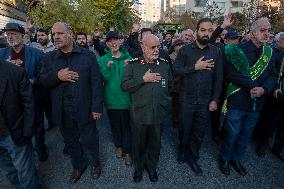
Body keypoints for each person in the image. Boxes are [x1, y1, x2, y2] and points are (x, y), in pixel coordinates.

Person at [39, 22, 103, 183]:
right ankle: (78, 166)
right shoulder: (49, 58)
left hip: (85, 108)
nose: (56, 37)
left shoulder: (87, 56)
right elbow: (42, 81)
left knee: (89, 139)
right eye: (54, 34)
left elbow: (96, 83)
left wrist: (96, 108)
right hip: (62, 110)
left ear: (70, 33)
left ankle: (95, 163)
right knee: (71, 141)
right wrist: (57, 76)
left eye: (60, 33)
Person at [219, 17, 277, 176]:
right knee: (232, 133)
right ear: (252, 32)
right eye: (263, 30)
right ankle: (224, 158)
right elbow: (232, 74)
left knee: (245, 134)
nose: (267, 33)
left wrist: (264, 89)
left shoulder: (269, 52)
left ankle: (236, 159)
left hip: (257, 103)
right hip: (238, 100)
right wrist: (253, 87)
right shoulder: (238, 49)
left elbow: (273, 76)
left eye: (269, 30)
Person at [174, 18, 223, 175]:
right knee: (184, 129)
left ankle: (193, 157)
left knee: (199, 132)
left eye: (209, 30)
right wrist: (195, 67)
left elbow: (218, 78)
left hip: (205, 101)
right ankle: (182, 149)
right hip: (186, 99)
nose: (206, 33)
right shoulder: (185, 50)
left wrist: (215, 99)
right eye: (203, 30)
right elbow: (176, 70)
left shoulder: (216, 51)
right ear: (197, 31)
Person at [122, 34, 173, 183]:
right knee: (138, 144)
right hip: (139, 113)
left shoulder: (164, 64)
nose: (157, 49)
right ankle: (138, 169)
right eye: (153, 47)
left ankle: (152, 168)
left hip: (158, 113)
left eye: (158, 46)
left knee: (155, 144)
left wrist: (161, 100)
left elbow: (170, 85)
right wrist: (143, 79)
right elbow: (125, 86)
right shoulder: (133, 64)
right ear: (143, 47)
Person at [0, 22, 47, 162]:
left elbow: (43, 76)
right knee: (18, 130)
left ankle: (41, 149)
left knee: (37, 126)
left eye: (14, 34)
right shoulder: (2, 54)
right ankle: (26, 153)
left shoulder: (37, 53)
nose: (10, 36)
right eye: (8, 34)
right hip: (11, 102)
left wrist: (31, 80)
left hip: (33, 97)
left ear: (22, 35)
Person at [0, 60, 38, 189]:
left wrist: (27, 132)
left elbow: (29, 104)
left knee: (25, 171)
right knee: (8, 171)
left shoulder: (16, 72)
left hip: (14, 134)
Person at [98, 31, 133, 165]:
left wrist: (129, 68)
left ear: (121, 41)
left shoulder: (129, 58)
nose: (114, 43)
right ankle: (118, 146)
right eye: (110, 41)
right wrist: (107, 68)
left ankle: (128, 152)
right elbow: (103, 79)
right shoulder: (102, 59)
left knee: (126, 126)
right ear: (107, 43)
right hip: (111, 100)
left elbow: (133, 78)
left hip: (126, 100)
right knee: (115, 126)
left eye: (116, 40)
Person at [254, 31, 284, 159]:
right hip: (276, 93)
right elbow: (274, 73)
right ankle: (262, 143)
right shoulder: (272, 53)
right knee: (271, 120)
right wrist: (275, 88)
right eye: (283, 39)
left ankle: (278, 147)